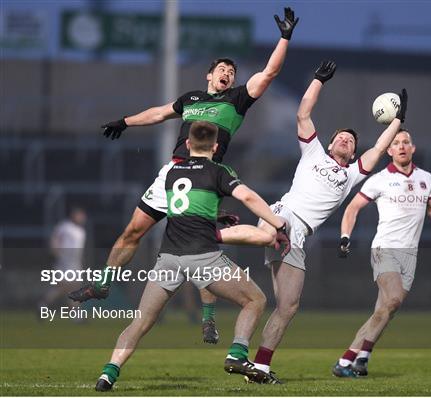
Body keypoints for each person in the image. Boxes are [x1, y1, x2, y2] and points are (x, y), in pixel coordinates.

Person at [69, 7, 299, 343]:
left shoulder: (236, 100)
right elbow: (159, 113)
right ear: (209, 75)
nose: (228, 74)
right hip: (173, 173)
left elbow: (269, 73)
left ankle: (208, 318)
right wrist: (125, 121)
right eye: (223, 69)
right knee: (133, 231)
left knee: (198, 247)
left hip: (207, 175)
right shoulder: (190, 99)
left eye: (232, 71)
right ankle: (104, 284)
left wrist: (284, 37)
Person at [94, 121, 290, 392]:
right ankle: (237, 353)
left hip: (169, 257)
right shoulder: (219, 171)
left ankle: (108, 373)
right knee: (255, 299)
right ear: (216, 146)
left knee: (140, 321)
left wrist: (214, 213)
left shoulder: (172, 172)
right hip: (203, 256)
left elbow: (185, 206)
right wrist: (277, 224)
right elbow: (247, 197)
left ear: (187, 144)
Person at [247, 61, 408, 384]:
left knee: (288, 306)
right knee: (270, 231)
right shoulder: (313, 153)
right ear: (330, 143)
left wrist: (399, 119)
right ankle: (212, 234)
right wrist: (318, 80)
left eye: (351, 140)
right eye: (342, 138)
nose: (346, 141)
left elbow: (378, 148)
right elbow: (303, 114)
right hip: (283, 213)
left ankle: (260, 367)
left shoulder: (351, 176)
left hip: (300, 235)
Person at [332, 129, 431, 378]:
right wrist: (345, 237)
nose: (401, 146)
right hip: (385, 248)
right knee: (393, 299)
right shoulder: (379, 179)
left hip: (410, 255)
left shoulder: (426, 178)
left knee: (385, 310)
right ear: (389, 151)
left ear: (413, 148)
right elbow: (352, 209)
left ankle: (361, 358)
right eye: (396, 143)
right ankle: (345, 361)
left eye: (405, 142)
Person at [41, 207, 87, 309]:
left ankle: (76, 314)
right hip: (65, 262)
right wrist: (55, 252)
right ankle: (43, 304)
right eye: (80, 215)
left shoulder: (81, 231)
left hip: (75, 263)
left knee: (73, 288)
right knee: (62, 286)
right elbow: (55, 239)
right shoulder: (65, 226)